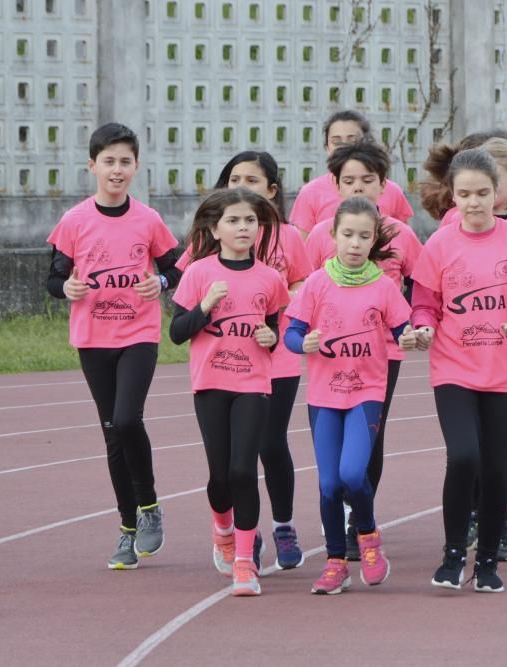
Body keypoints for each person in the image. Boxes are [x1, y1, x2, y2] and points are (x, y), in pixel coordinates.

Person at [407, 148, 507, 593]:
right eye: (464, 194)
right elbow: (423, 305)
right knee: (464, 456)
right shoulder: (440, 244)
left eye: (482, 193)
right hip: (453, 367)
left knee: (494, 467)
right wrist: (423, 328)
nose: (473, 202)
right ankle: (453, 555)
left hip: (505, 371)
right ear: (452, 195)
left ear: (502, 192)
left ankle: (487, 562)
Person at [46, 122, 178, 570]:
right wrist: (67, 288)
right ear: (92, 166)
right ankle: (127, 527)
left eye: (125, 162)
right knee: (111, 432)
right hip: (93, 338)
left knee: (127, 418)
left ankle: (150, 506)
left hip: (139, 334)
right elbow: (52, 278)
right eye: (109, 162)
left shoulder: (149, 220)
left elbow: (177, 270)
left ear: (137, 167)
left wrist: (158, 281)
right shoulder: (75, 221)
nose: (117, 170)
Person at [284, 197, 413, 595]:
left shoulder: (384, 287)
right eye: (347, 235)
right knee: (327, 486)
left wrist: (411, 336)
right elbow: (291, 333)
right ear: (332, 236)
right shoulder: (318, 283)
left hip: (365, 394)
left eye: (364, 236)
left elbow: (403, 330)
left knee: (353, 474)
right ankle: (335, 563)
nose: (355, 243)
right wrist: (301, 343)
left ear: (374, 240)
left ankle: (369, 537)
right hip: (324, 396)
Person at [304, 140, 423, 559]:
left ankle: (358, 521)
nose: (359, 188)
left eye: (367, 180)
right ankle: (339, 513)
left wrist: (416, 328)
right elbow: (306, 289)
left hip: (381, 355)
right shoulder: (322, 235)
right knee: (335, 443)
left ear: (383, 184)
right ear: (334, 184)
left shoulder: (400, 234)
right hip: (332, 357)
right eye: (349, 180)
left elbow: (420, 287)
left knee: (371, 436)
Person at [170, 188, 288, 596]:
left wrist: (271, 336)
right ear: (215, 228)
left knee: (243, 471)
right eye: (234, 221)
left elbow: (271, 331)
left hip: (253, 384)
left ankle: (244, 562)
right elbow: (176, 333)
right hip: (210, 384)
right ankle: (222, 527)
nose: (243, 227)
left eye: (250, 221)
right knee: (220, 476)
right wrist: (204, 307)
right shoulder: (200, 273)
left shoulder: (270, 279)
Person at [214, 152, 313, 570]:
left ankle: (284, 526)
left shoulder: (286, 236)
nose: (242, 185)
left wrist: (277, 304)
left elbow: (303, 280)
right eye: (234, 178)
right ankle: (242, 532)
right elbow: (188, 278)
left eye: (252, 180)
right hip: (228, 360)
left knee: (271, 443)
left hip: (277, 356)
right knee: (237, 454)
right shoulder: (213, 233)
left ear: (272, 191)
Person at [289, 110, 413, 239]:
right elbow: (304, 250)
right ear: (326, 148)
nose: (344, 147)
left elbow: (403, 241)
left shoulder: (393, 191)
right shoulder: (310, 193)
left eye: (352, 140)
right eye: (337, 142)